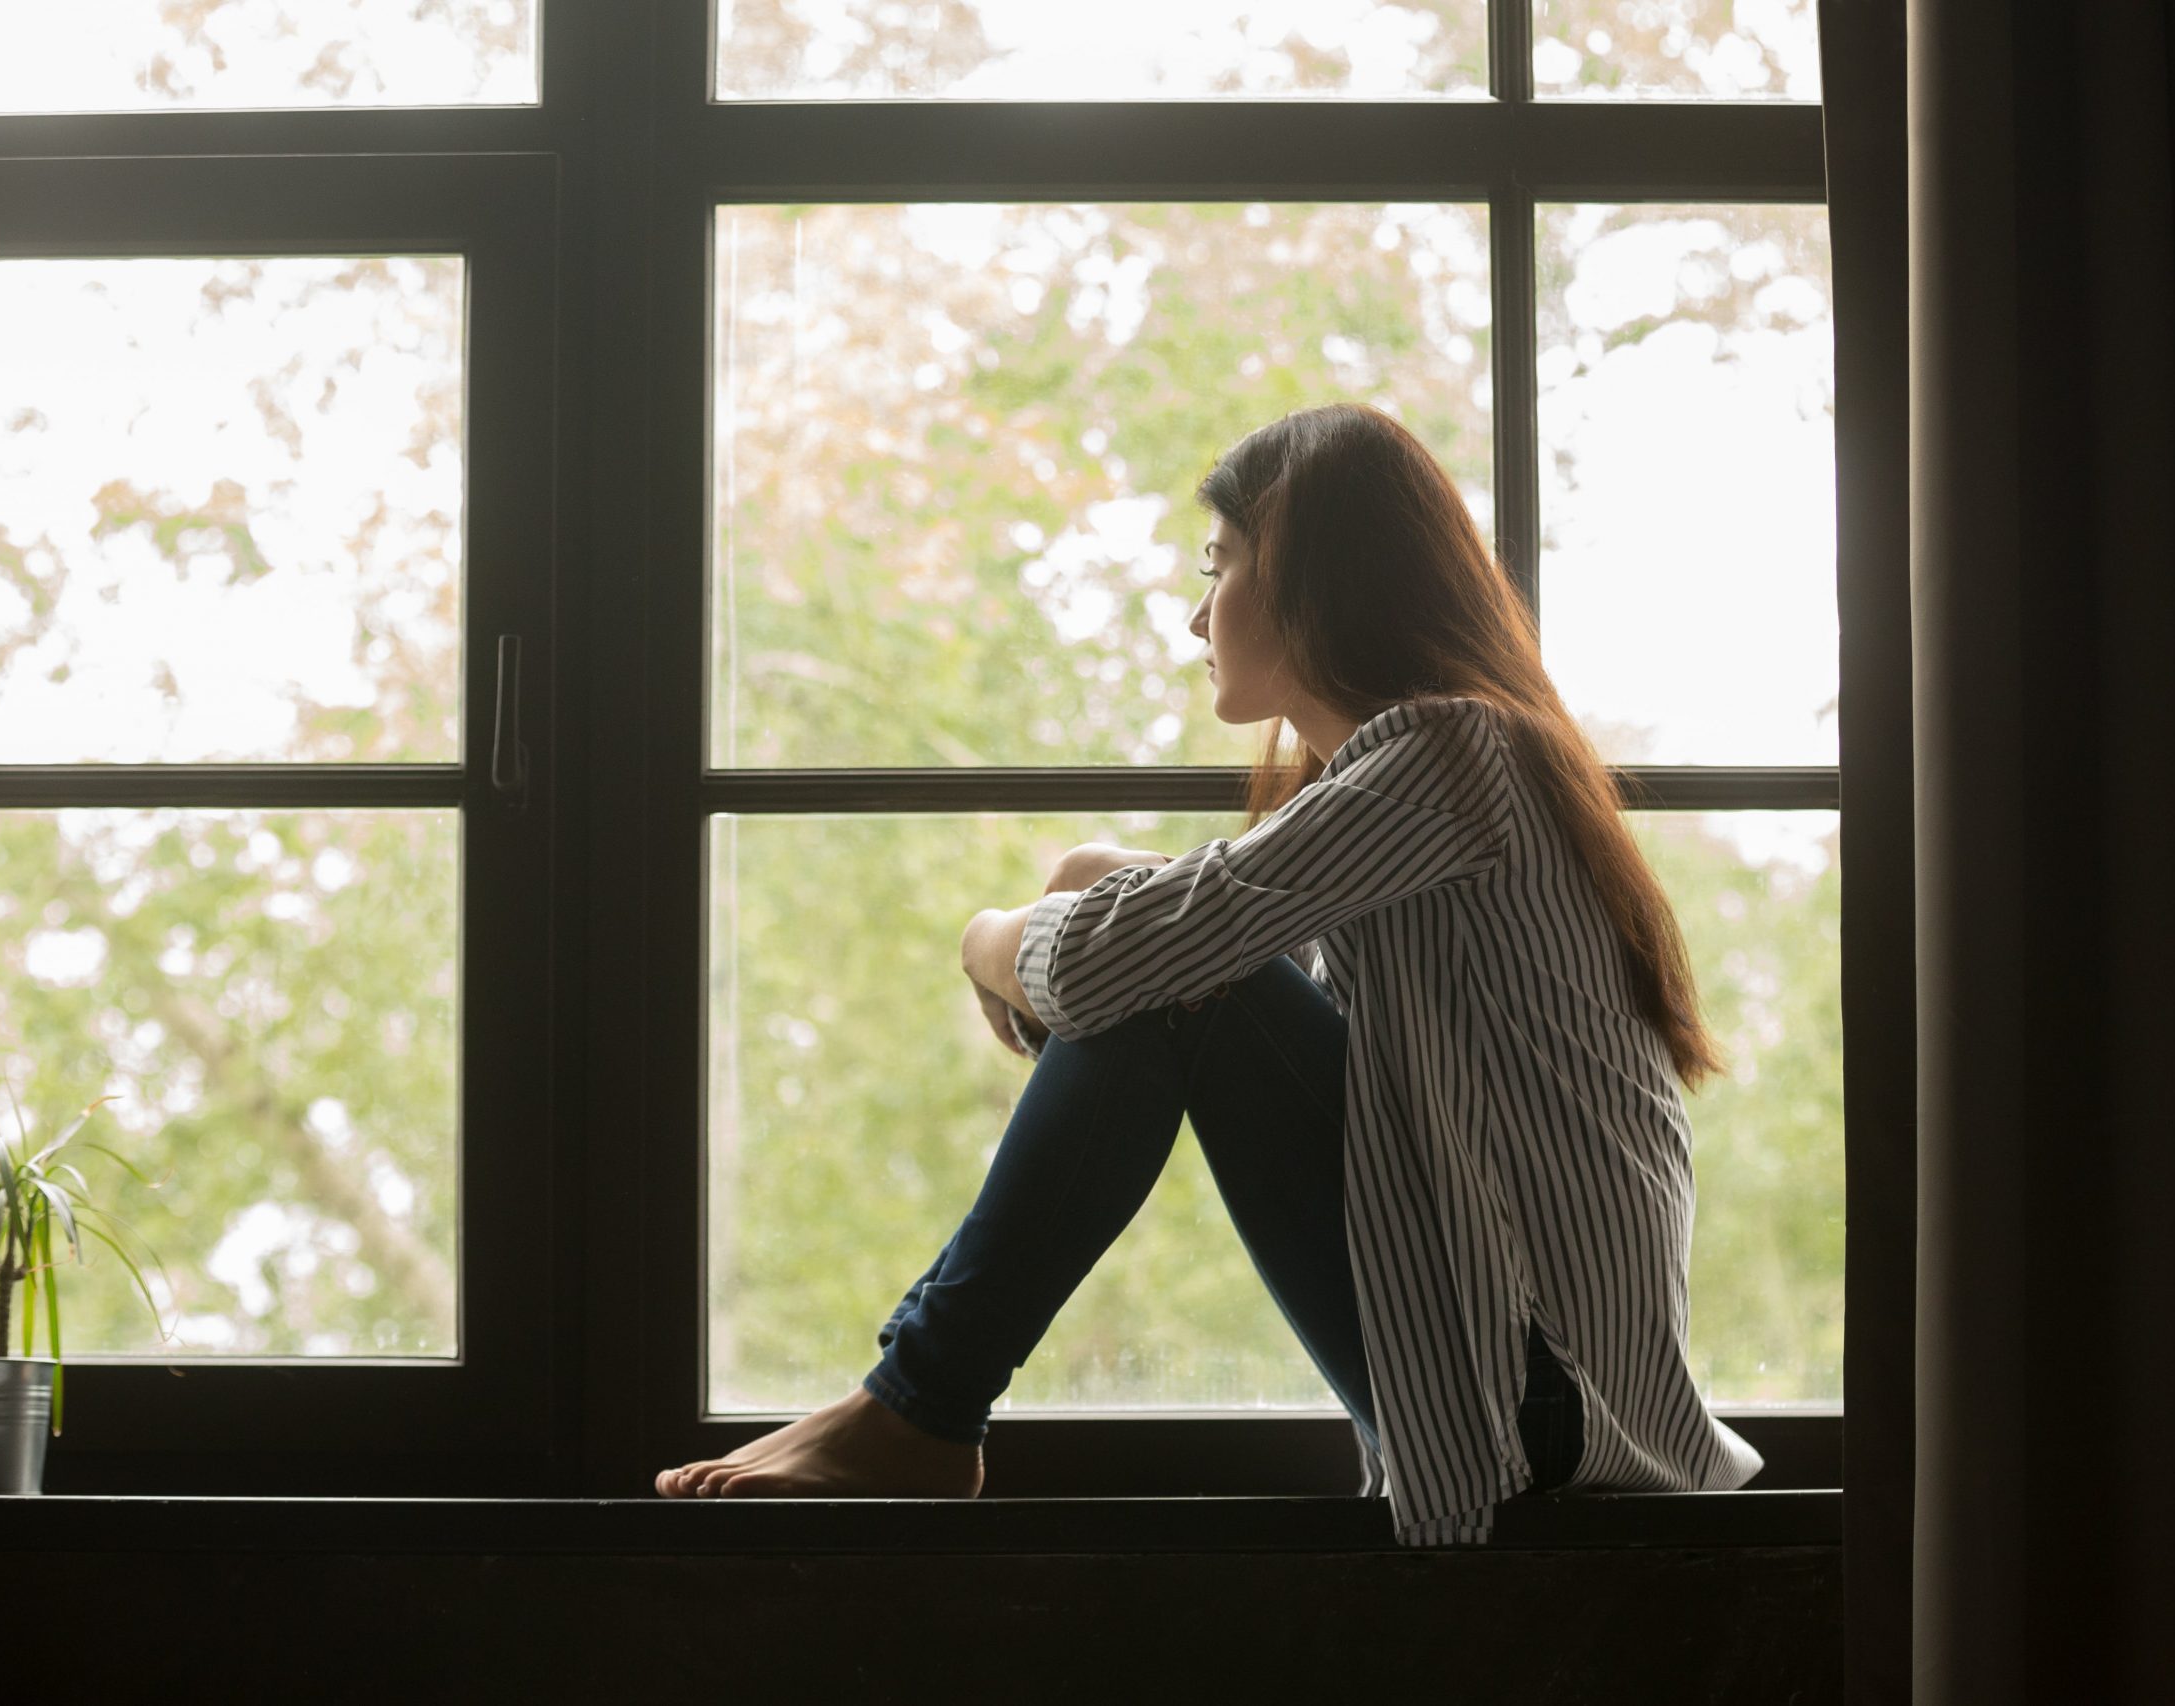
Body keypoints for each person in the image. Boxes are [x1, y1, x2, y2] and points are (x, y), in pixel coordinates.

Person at [654, 400, 1766, 1544]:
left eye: (1218, 565)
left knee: (1180, 974)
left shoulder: (1451, 753)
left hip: (1540, 1409)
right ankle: (912, 1406)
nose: (1195, 614)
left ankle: (920, 1408)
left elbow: (1130, 967)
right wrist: (1088, 880)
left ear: (1309, 576)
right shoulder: (1447, 778)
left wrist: (988, 934)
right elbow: (1211, 958)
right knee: (1171, 960)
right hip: (1521, 1396)